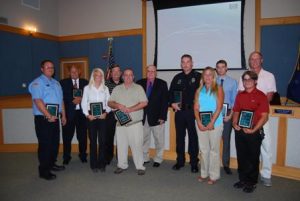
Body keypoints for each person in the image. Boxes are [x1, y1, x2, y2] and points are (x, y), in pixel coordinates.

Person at [238, 51, 277, 187]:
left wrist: (255, 109)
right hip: (245, 118)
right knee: (247, 149)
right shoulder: (244, 77)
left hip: (261, 117)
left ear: (262, 60)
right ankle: (246, 176)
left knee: (266, 146)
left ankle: (266, 175)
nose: (254, 61)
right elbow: (240, 95)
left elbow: (270, 96)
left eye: (256, 59)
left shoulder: (269, 76)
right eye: (251, 59)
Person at [28, 60, 66, 180]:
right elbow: (38, 101)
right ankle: (44, 171)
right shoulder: (37, 83)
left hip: (55, 118)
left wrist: (63, 115)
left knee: (54, 143)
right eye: (48, 67)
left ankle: (51, 164)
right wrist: (48, 115)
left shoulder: (56, 83)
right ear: (42, 69)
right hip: (43, 119)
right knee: (45, 145)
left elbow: (61, 101)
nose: (51, 69)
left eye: (52, 67)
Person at [233, 70, 269, 193]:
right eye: (245, 80)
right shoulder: (240, 95)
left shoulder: (261, 96)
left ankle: (251, 182)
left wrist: (254, 129)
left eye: (249, 79)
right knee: (241, 156)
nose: (247, 82)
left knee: (253, 157)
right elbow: (236, 111)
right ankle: (242, 179)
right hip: (240, 131)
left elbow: (265, 116)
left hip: (254, 131)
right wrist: (234, 123)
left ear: (255, 81)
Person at [108, 68, 148, 175]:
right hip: (120, 123)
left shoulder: (138, 88)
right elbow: (110, 103)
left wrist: (130, 109)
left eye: (130, 75)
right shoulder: (117, 89)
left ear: (133, 77)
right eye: (126, 75)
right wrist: (118, 105)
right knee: (121, 146)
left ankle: (140, 166)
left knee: (137, 145)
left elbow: (144, 103)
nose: (128, 77)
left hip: (135, 124)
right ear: (123, 77)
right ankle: (121, 165)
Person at [169, 54, 201, 173]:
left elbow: (203, 94)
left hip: (193, 112)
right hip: (180, 112)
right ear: (181, 64)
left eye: (188, 62)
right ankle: (180, 161)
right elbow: (170, 93)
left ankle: (194, 162)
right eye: (183, 62)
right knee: (180, 137)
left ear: (192, 63)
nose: (186, 64)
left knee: (193, 138)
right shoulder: (177, 77)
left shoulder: (199, 77)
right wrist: (172, 103)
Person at [194, 67, 224, 184]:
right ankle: (204, 173)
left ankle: (214, 176)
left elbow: (219, 107)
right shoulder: (198, 90)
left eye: (210, 75)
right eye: (205, 75)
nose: (207, 77)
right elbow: (196, 108)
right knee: (203, 149)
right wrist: (199, 122)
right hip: (201, 123)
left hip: (215, 123)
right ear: (203, 77)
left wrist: (211, 122)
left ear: (213, 76)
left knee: (214, 150)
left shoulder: (219, 89)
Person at [136, 65, 169, 167]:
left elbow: (165, 101)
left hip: (157, 117)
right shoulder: (139, 83)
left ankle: (158, 158)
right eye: (149, 71)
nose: (150, 73)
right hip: (143, 116)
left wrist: (163, 116)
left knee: (159, 140)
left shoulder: (162, 84)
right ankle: (145, 157)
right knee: (144, 139)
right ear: (146, 72)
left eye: (153, 71)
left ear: (156, 73)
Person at [81, 68, 111, 172]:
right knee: (93, 141)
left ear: (102, 77)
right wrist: (87, 115)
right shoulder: (87, 88)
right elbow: (84, 103)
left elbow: (109, 102)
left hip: (102, 116)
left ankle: (102, 164)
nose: (98, 77)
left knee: (103, 141)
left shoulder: (105, 88)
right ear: (93, 76)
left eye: (100, 75)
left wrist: (106, 113)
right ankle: (93, 165)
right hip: (91, 117)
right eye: (96, 75)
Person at [60, 65, 88, 165]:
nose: (74, 73)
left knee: (83, 137)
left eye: (76, 71)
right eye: (72, 71)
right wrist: (73, 101)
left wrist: (82, 99)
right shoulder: (63, 83)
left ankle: (83, 155)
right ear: (69, 73)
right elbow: (61, 98)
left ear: (79, 72)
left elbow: (89, 97)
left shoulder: (85, 82)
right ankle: (66, 156)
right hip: (68, 114)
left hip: (82, 114)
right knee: (67, 137)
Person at [215, 60, 238, 175]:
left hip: (227, 114)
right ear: (216, 69)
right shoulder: (212, 81)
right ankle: (213, 163)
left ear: (226, 68)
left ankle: (226, 164)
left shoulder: (233, 82)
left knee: (226, 140)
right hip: (214, 114)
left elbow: (235, 101)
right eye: (218, 67)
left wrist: (230, 115)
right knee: (213, 140)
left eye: (222, 67)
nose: (220, 69)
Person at [104, 64, 123, 165]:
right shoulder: (105, 84)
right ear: (110, 73)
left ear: (120, 73)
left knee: (121, 137)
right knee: (109, 137)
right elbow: (104, 100)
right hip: (110, 114)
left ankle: (120, 157)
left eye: (118, 71)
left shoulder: (124, 84)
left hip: (121, 114)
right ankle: (108, 156)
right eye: (114, 71)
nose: (116, 73)